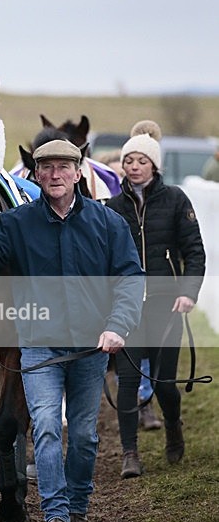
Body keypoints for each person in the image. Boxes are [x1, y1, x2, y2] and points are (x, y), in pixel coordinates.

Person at [0, 140, 144, 522]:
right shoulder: (18, 223)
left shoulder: (108, 223)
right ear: (36, 175)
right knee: (44, 428)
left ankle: (78, 511)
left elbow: (131, 279)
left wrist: (118, 326)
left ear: (78, 173)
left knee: (83, 436)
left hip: (91, 349)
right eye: (46, 168)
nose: (55, 174)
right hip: (40, 347)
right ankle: (55, 515)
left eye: (63, 167)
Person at [106, 123, 206, 479]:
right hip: (127, 307)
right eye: (129, 160)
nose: (134, 167)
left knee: (164, 383)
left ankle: (173, 426)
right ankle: (130, 453)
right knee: (128, 381)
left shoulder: (176, 199)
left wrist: (188, 291)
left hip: (166, 303)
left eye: (141, 161)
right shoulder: (113, 207)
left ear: (154, 165)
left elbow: (194, 251)